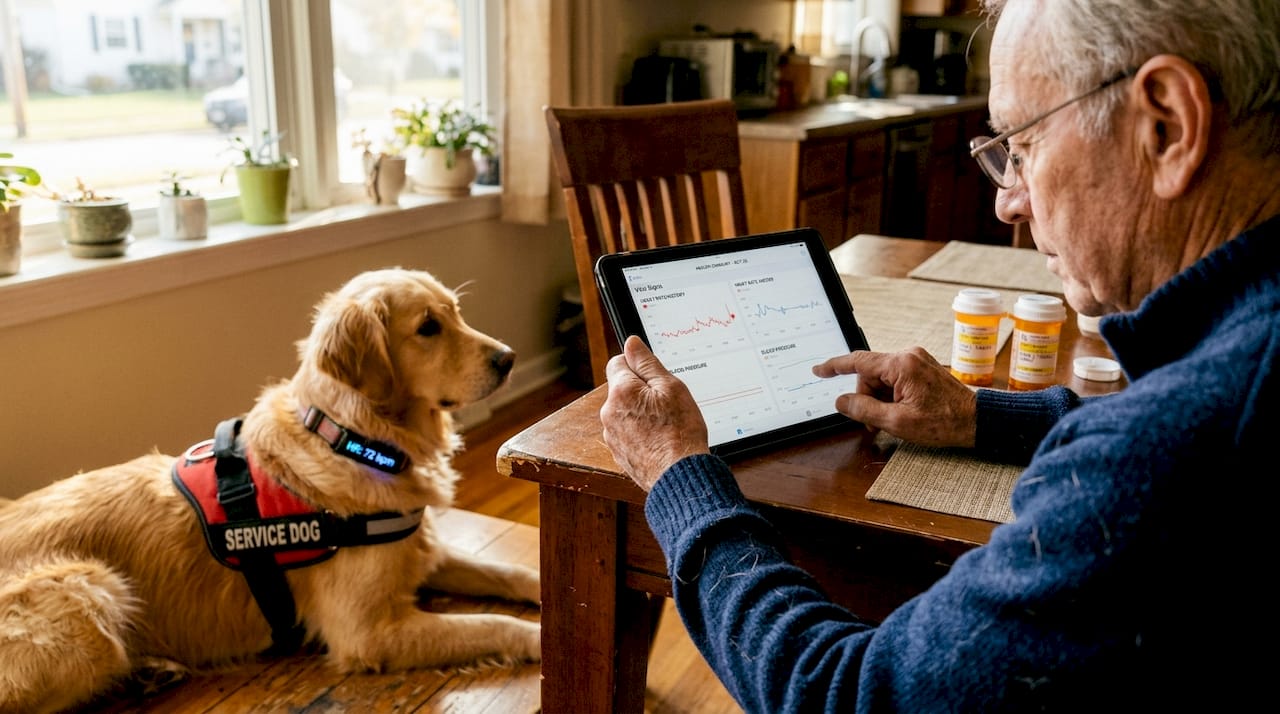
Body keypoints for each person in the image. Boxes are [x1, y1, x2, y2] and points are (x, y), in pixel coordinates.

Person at [598, 0, 1280, 711]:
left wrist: (680, 475)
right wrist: (977, 415)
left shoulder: (1165, 452)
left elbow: (847, 695)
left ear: (1166, 124)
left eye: (1022, 146)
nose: (1007, 203)